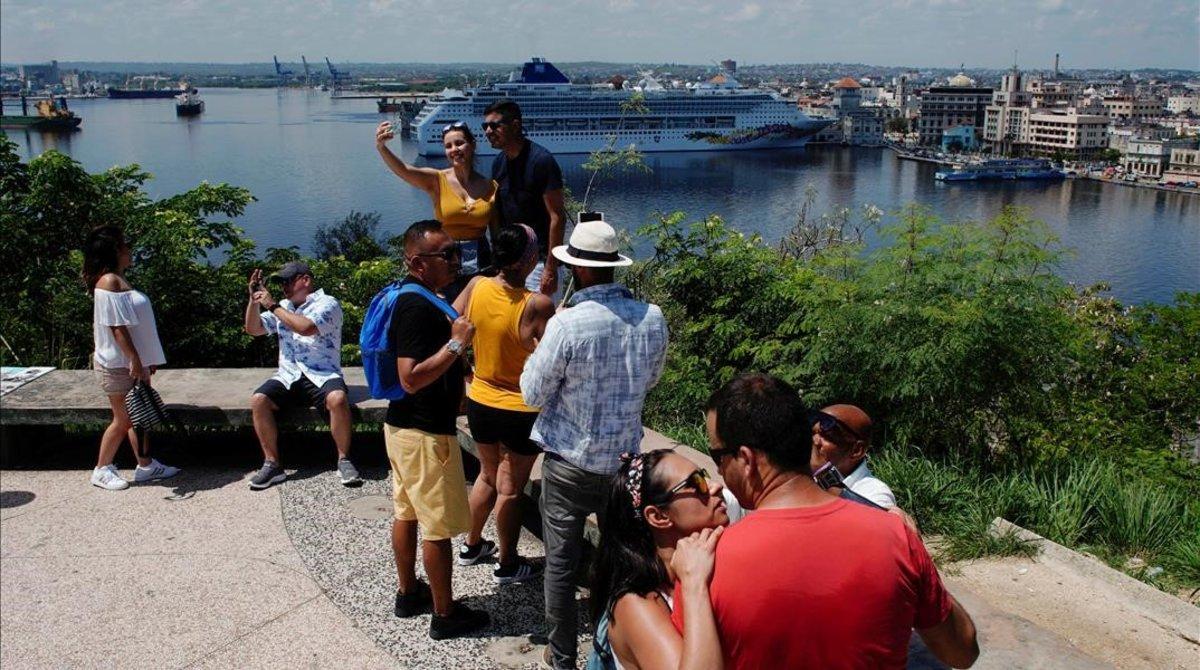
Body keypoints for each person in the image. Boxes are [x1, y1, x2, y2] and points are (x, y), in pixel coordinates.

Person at [681, 373, 979, 670]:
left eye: (717, 455)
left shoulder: (704, 564)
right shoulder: (895, 536)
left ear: (746, 460)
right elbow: (963, 652)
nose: (718, 470)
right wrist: (919, 559)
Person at [521, 217, 669, 670]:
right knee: (624, 562)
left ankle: (562, 654)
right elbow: (653, 379)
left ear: (579, 271)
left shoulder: (567, 325)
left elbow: (532, 393)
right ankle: (614, 649)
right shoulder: (652, 317)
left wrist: (536, 350)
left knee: (562, 567)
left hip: (568, 462)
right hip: (627, 465)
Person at [386, 219, 489, 639]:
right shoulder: (416, 307)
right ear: (417, 263)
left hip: (403, 430)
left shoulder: (418, 296)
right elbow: (409, 377)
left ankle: (409, 593)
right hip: (426, 435)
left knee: (406, 512)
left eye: (455, 250)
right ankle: (445, 615)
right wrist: (457, 344)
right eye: (445, 254)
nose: (455, 259)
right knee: (438, 528)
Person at [450, 225, 555, 583]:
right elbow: (553, 357)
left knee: (487, 474)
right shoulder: (536, 304)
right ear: (528, 259)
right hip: (519, 408)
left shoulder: (477, 286)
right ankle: (508, 563)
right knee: (510, 488)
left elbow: (450, 319)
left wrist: (464, 362)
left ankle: (471, 544)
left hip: (480, 397)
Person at [588, 449, 727, 670]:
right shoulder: (635, 604)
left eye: (704, 474)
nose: (714, 486)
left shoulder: (712, 555)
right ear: (658, 516)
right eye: (696, 482)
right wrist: (694, 586)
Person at [243, 261, 358, 489]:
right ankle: (272, 463)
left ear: (305, 280)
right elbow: (253, 329)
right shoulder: (283, 306)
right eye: (281, 282)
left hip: (322, 373)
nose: (284, 286)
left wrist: (273, 306)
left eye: (288, 281)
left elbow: (305, 327)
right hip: (289, 374)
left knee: (337, 398)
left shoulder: (328, 303)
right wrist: (253, 300)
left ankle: (344, 459)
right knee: (259, 400)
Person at [84, 226, 181, 490]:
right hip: (117, 364)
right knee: (123, 419)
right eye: (125, 246)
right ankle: (102, 468)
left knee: (139, 415)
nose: (130, 251)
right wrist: (135, 360)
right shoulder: (108, 282)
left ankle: (145, 464)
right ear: (115, 252)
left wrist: (145, 359)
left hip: (131, 363)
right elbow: (117, 327)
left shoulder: (119, 278)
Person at [376, 120, 498, 301]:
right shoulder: (437, 180)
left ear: (472, 144)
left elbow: (496, 232)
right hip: (445, 258)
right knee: (448, 310)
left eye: (459, 143)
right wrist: (382, 147)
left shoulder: (491, 186)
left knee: (478, 309)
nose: (454, 149)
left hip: (482, 259)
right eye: (448, 146)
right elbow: (404, 170)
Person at [482, 99, 566, 296]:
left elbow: (557, 216)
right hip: (510, 264)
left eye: (494, 125)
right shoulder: (498, 163)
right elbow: (498, 214)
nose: (487, 131)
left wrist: (550, 268)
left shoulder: (541, 161)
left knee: (541, 323)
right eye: (485, 126)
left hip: (539, 264)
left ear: (515, 125)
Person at [810, 403, 896, 508]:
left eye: (827, 436)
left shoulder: (876, 493)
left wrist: (826, 478)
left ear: (856, 450)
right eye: (812, 433)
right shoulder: (805, 481)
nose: (815, 441)